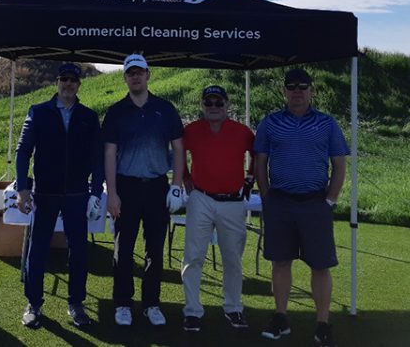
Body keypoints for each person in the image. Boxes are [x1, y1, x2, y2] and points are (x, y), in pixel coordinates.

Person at [254, 68, 348, 347]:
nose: (297, 91)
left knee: (320, 265)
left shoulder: (327, 123)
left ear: (311, 90)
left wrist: (330, 200)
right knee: (280, 262)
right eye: (291, 86)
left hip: (315, 203)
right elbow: (260, 162)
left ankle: (322, 323)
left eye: (302, 87)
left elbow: (339, 164)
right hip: (280, 203)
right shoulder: (270, 123)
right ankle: (281, 318)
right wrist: (267, 197)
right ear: (284, 91)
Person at [15, 62, 105, 329]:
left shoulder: (89, 116)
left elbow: (97, 157)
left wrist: (96, 191)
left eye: (73, 80)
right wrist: (22, 189)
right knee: (38, 249)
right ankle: (34, 303)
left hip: (78, 194)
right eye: (64, 79)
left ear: (79, 84)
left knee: (78, 250)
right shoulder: (38, 112)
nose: (68, 84)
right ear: (57, 83)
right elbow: (23, 152)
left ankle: (76, 304)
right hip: (45, 192)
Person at [103, 54, 185, 327]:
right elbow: (110, 154)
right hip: (126, 187)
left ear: (148, 75)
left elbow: (179, 148)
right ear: (125, 77)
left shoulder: (165, 108)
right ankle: (123, 303)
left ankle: (151, 303)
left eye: (140, 72)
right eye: (130, 73)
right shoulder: (116, 111)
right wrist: (112, 193)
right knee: (123, 249)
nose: (135, 77)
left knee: (155, 250)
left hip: (157, 187)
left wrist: (176, 186)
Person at [181, 85, 255, 333]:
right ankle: (192, 311)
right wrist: (185, 176)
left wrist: (251, 177)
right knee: (193, 257)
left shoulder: (242, 131)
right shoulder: (191, 130)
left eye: (218, 102)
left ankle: (233, 308)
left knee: (232, 259)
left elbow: (257, 153)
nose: (213, 107)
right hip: (200, 197)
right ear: (202, 105)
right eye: (209, 102)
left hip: (233, 201)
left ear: (226, 104)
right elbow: (179, 152)